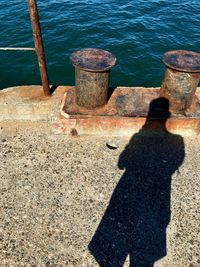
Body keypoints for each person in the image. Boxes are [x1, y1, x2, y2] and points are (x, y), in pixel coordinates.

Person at [88, 97, 185, 267]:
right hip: (160, 185)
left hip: (131, 181)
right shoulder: (177, 140)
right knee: (147, 237)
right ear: (167, 116)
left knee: (118, 222)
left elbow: (121, 163)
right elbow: (178, 160)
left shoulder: (137, 136)